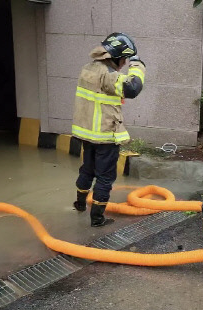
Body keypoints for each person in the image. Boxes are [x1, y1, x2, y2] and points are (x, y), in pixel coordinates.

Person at [71, 32, 146, 227]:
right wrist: (137, 66)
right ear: (118, 57)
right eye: (125, 59)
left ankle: (80, 204)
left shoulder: (87, 68)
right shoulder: (110, 75)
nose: (124, 64)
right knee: (105, 179)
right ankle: (97, 219)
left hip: (87, 134)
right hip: (105, 136)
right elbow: (133, 89)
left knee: (87, 170)